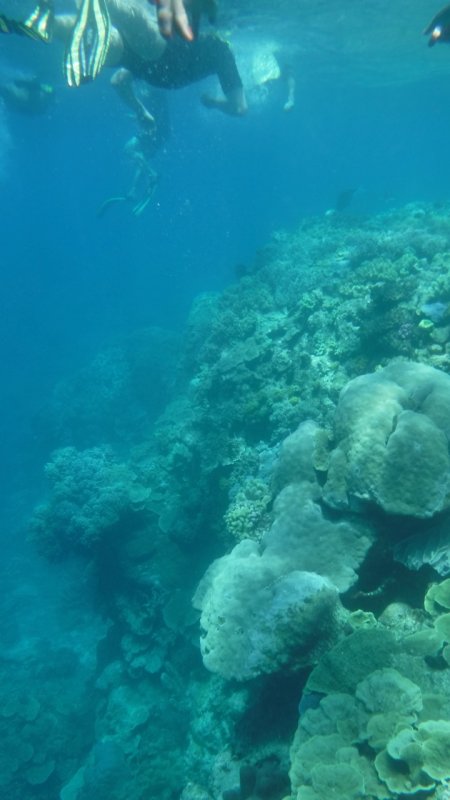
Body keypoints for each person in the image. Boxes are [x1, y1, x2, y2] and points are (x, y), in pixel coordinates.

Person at [0, 0, 246, 120]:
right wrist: (142, 113)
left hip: (158, 59)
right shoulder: (221, 51)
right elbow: (239, 108)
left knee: (137, 20)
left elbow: (119, 81)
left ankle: (50, 23)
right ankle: (48, 26)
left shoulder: (220, 48)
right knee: (105, 36)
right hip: (153, 69)